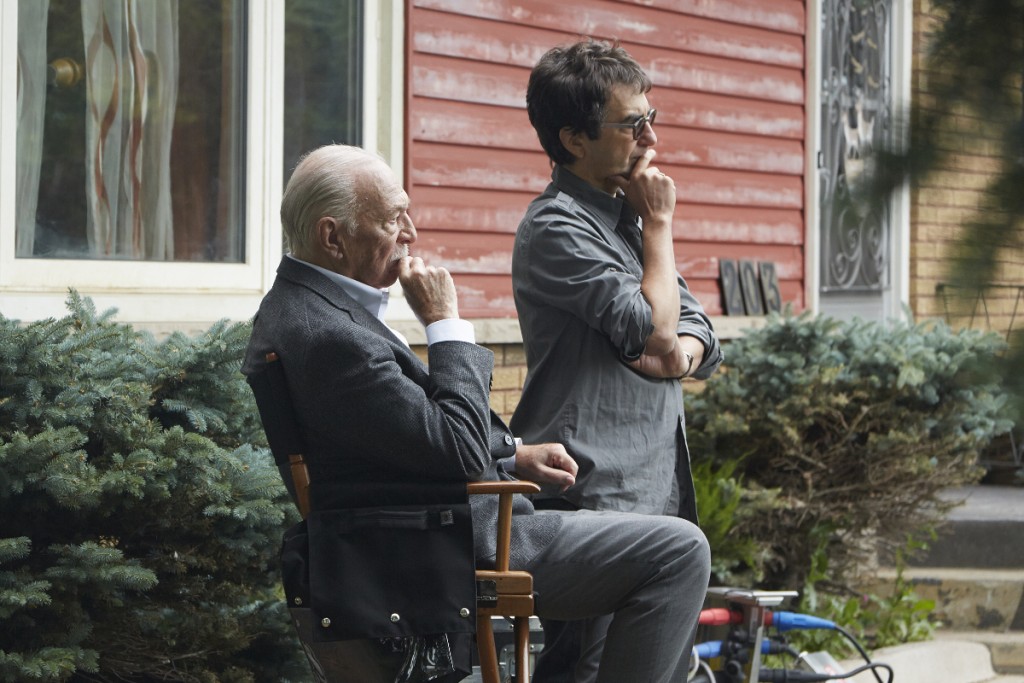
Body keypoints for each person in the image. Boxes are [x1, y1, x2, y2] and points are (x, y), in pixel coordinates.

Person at [242, 144, 710, 683]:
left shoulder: (313, 309)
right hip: (454, 543)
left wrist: (514, 453)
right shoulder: (329, 336)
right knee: (677, 551)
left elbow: (401, 437)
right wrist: (444, 323)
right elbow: (456, 450)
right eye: (394, 218)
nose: (411, 233)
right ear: (332, 236)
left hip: (437, 527)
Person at [510, 39, 725, 682]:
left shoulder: (626, 222)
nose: (650, 138)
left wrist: (678, 358)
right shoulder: (557, 229)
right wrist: (659, 229)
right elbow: (650, 330)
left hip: (656, 490)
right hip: (591, 493)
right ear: (573, 138)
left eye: (650, 118)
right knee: (584, 669)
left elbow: (697, 332)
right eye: (633, 124)